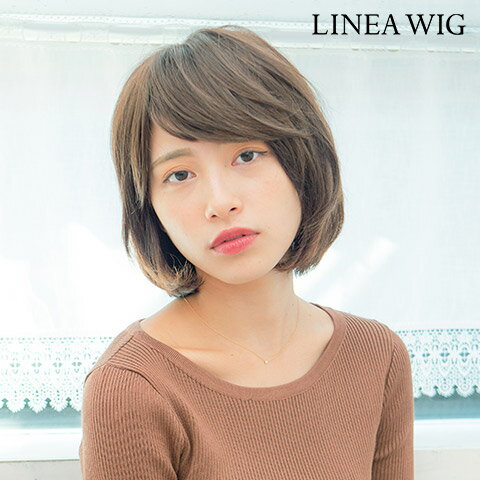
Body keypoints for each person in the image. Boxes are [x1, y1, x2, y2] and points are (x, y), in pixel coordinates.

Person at [79, 24, 414, 479]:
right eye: (179, 175)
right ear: (150, 208)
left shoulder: (376, 356)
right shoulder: (132, 387)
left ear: (303, 158)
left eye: (247, 155)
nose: (220, 202)